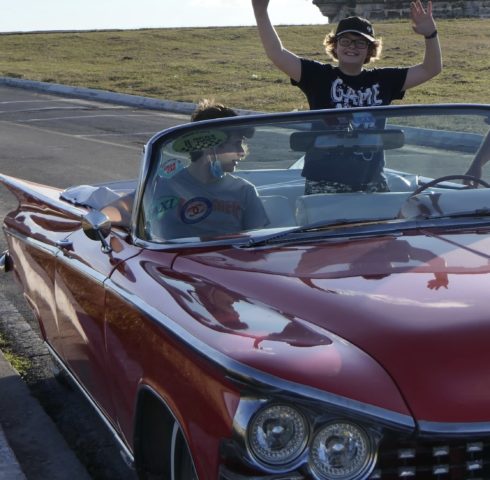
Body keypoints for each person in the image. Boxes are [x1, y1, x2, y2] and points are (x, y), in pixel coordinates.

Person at [251, 0, 442, 194]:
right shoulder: (318, 76)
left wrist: (430, 35)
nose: (352, 47)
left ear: (370, 49)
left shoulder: (384, 80)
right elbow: (276, 53)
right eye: (345, 41)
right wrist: (260, 11)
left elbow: (431, 69)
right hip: (323, 181)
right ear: (334, 45)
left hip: (372, 181)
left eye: (360, 42)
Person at [147, 99, 269, 239]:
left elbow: (259, 242)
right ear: (210, 146)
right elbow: (122, 210)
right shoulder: (161, 185)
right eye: (237, 143)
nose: (242, 151)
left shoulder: (244, 191)